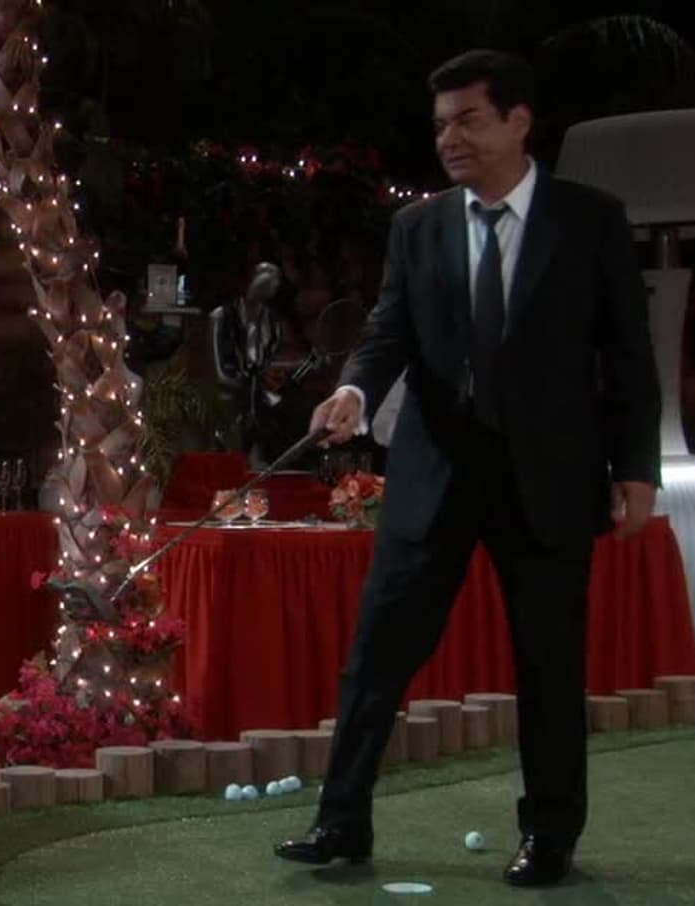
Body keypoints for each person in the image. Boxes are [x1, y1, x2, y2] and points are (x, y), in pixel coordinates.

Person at [274, 49, 659, 887]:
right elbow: (388, 331)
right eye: (441, 124)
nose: (450, 138)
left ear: (520, 121)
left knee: (549, 662)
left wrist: (636, 468)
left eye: (469, 120)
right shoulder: (419, 227)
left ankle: (549, 835)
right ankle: (341, 820)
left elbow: (629, 355)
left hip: (548, 477)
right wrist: (352, 390)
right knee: (377, 652)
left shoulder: (590, 221)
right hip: (435, 471)